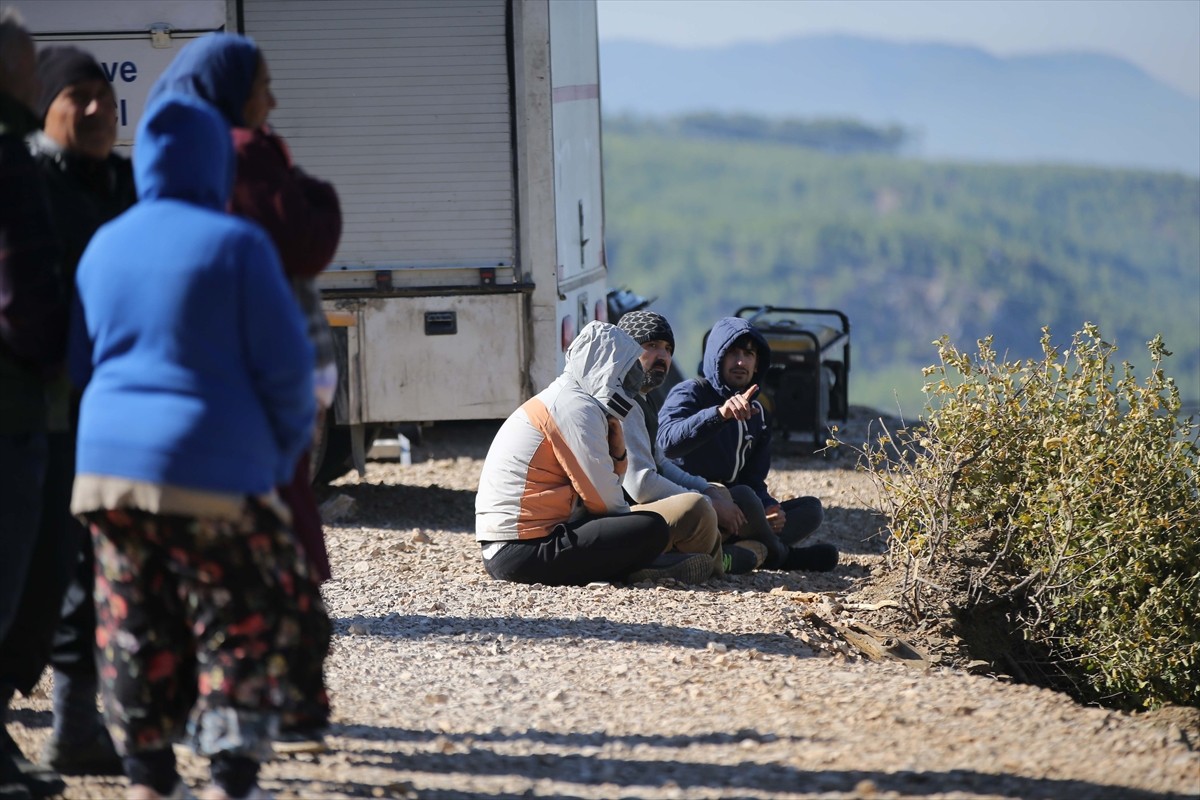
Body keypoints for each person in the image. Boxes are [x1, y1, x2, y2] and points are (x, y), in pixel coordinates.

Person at [69, 91, 315, 800]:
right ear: (214, 163)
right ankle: (230, 782)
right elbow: (289, 373)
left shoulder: (104, 244)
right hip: (215, 469)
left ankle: (149, 779)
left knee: (131, 620)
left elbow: (82, 366)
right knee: (238, 619)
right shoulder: (236, 244)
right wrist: (275, 460)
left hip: (106, 472)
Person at [146, 31, 338, 752]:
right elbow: (305, 240)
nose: (274, 100)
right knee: (281, 532)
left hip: (212, 380)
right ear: (232, 90)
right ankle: (284, 697)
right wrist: (312, 190)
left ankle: (236, 698)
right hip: (262, 381)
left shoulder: (178, 159)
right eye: (264, 84)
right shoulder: (248, 153)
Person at [26, 45, 136, 778]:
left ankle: (75, 725)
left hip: (111, 411)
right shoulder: (24, 181)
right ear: (45, 105)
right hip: (37, 409)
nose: (98, 108)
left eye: (104, 94)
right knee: (31, 571)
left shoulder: (127, 182)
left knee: (92, 567)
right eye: (78, 96)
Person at [476, 320, 710, 585]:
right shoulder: (575, 409)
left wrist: (619, 456)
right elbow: (604, 502)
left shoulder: (570, 398)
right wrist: (633, 536)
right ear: (605, 367)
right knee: (650, 528)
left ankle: (643, 564)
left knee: (640, 528)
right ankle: (643, 565)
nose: (629, 380)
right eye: (624, 370)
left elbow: (603, 494)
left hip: (517, 543)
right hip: (521, 550)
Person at [0, 10, 70, 800]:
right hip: (20, 408)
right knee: (20, 583)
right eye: (27, 67)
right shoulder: (15, 162)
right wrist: (64, 353)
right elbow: (24, 302)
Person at [658, 316, 839, 572]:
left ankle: (742, 550)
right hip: (696, 505)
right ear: (716, 359)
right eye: (732, 353)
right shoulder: (690, 392)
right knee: (744, 496)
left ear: (757, 365)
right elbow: (666, 444)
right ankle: (780, 556)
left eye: (748, 354)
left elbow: (754, 480)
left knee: (811, 510)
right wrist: (718, 415)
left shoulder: (757, 413)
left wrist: (767, 509)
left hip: (739, 513)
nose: (740, 361)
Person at [614, 310, 769, 576]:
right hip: (618, 514)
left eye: (667, 349)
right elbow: (642, 482)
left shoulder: (642, 398)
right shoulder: (623, 401)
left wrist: (708, 492)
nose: (662, 357)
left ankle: (735, 550)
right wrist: (708, 503)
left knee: (736, 496)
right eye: (651, 346)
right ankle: (732, 558)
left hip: (649, 507)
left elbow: (659, 461)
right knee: (698, 507)